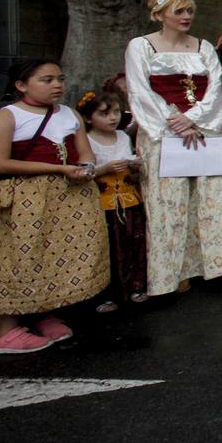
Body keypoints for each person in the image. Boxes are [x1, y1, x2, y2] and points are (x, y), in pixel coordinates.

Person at [125, 0, 222, 295]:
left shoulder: (203, 46)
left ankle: (219, 265)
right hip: (164, 133)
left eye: (189, 12)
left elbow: (215, 92)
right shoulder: (140, 46)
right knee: (169, 203)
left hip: (202, 130)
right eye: (179, 12)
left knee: (213, 198)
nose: (186, 17)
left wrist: (194, 119)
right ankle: (170, 275)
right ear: (160, 15)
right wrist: (175, 121)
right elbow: (140, 90)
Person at [0, 60, 108, 353]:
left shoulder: (69, 114)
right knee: (18, 256)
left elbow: (85, 153)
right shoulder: (9, 116)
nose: (57, 85)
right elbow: (1, 161)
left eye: (59, 78)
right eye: (46, 80)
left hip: (66, 198)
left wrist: (85, 168)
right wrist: (58, 170)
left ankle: (43, 312)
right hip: (26, 198)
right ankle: (6, 328)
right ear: (21, 85)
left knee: (53, 254)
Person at [79, 90, 147, 313]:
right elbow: (84, 171)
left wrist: (134, 165)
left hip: (128, 200)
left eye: (116, 112)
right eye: (104, 113)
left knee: (134, 242)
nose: (112, 118)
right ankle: (105, 294)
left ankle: (135, 286)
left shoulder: (123, 136)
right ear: (89, 117)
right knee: (107, 248)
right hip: (103, 202)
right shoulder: (86, 139)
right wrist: (104, 169)